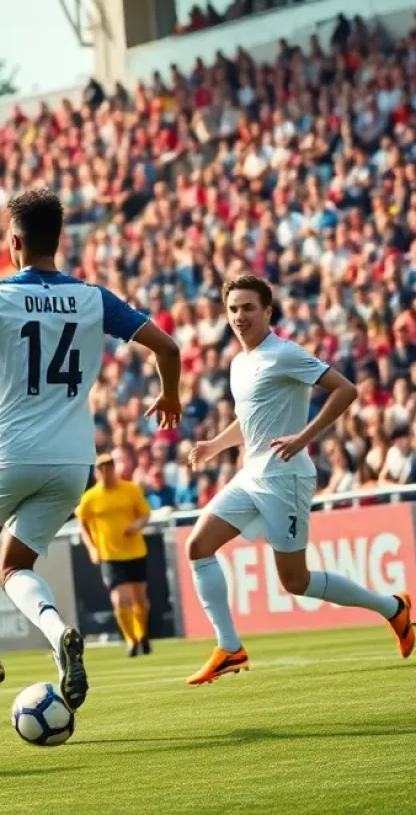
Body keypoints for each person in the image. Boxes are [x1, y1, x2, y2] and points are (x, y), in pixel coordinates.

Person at [0, 187, 182, 716]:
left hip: (11, 451)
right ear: (59, 240)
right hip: (73, 462)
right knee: (17, 563)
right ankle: (56, 631)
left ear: (14, 242)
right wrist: (170, 394)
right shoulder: (94, 297)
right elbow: (168, 346)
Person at [185, 274, 413, 685]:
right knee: (198, 546)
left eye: (249, 307)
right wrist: (215, 446)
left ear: (267, 311)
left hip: (285, 478)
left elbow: (345, 390)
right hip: (252, 475)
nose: (240, 316)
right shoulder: (239, 363)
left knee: (295, 581)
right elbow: (252, 419)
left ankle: (391, 608)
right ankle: (229, 648)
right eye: (233, 308)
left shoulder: (284, 354)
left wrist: (304, 436)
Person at [76, 454, 153, 657]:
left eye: (110, 465)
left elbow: (145, 513)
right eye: (102, 466)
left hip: (135, 550)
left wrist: (136, 525)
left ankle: (142, 634)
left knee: (141, 600)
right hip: (110, 554)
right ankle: (131, 639)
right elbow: (82, 523)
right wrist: (92, 548)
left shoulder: (130, 489)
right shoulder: (90, 498)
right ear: (96, 471)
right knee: (120, 599)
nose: (106, 469)